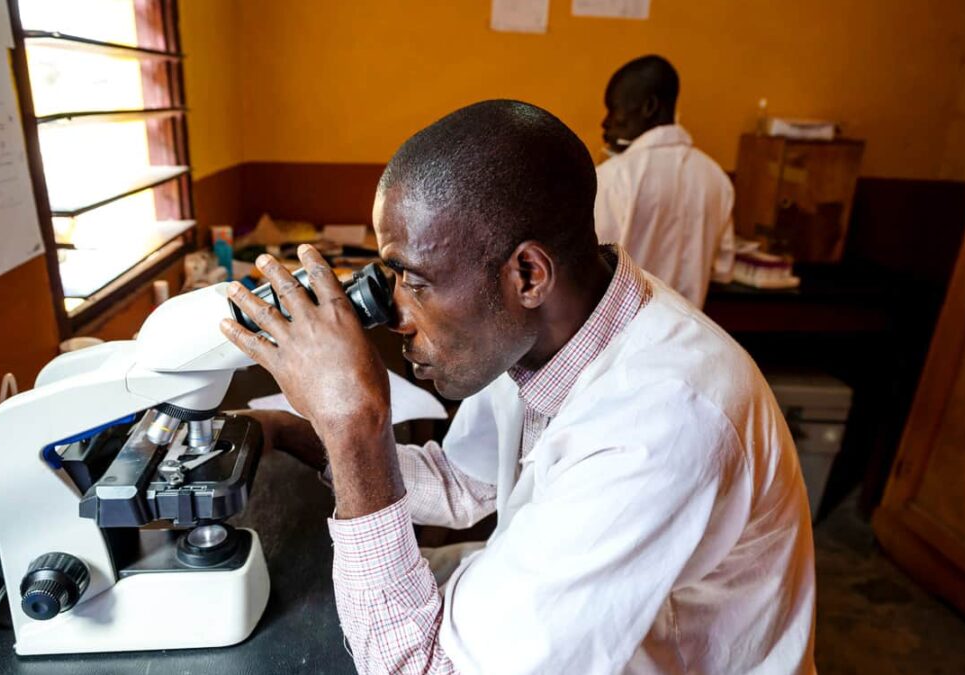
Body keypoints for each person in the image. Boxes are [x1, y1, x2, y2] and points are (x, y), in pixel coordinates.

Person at [221, 100, 816, 674]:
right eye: (391, 275)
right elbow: (462, 485)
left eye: (416, 280)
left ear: (528, 273)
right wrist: (290, 432)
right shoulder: (543, 333)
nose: (395, 313)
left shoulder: (660, 424)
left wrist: (354, 423)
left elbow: (426, 670)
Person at [595, 55, 736, 308]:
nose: (605, 122)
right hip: (692, 336)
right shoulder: (716, 178)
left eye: (614, 109)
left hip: (626, 337)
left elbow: (589, 269)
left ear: (649, 107)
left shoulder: (616, 176)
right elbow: (722, 270)